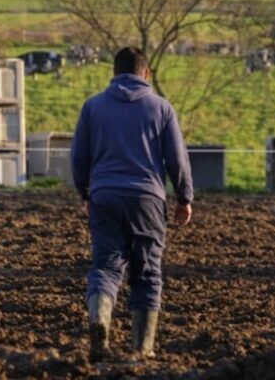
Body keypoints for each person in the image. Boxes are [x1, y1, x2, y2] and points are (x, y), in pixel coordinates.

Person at [70, 46, 193, 363]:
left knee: (106, 266)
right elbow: (177, 160)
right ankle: (142, 347)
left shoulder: (92, 107)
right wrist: (184, 197)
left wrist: (85, 193)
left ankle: (99, 317)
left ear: (114, 73)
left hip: (105, 195)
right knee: (147, 272)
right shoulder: (161, 108)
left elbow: (79, 157)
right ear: (146, 73)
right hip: (148, 200)